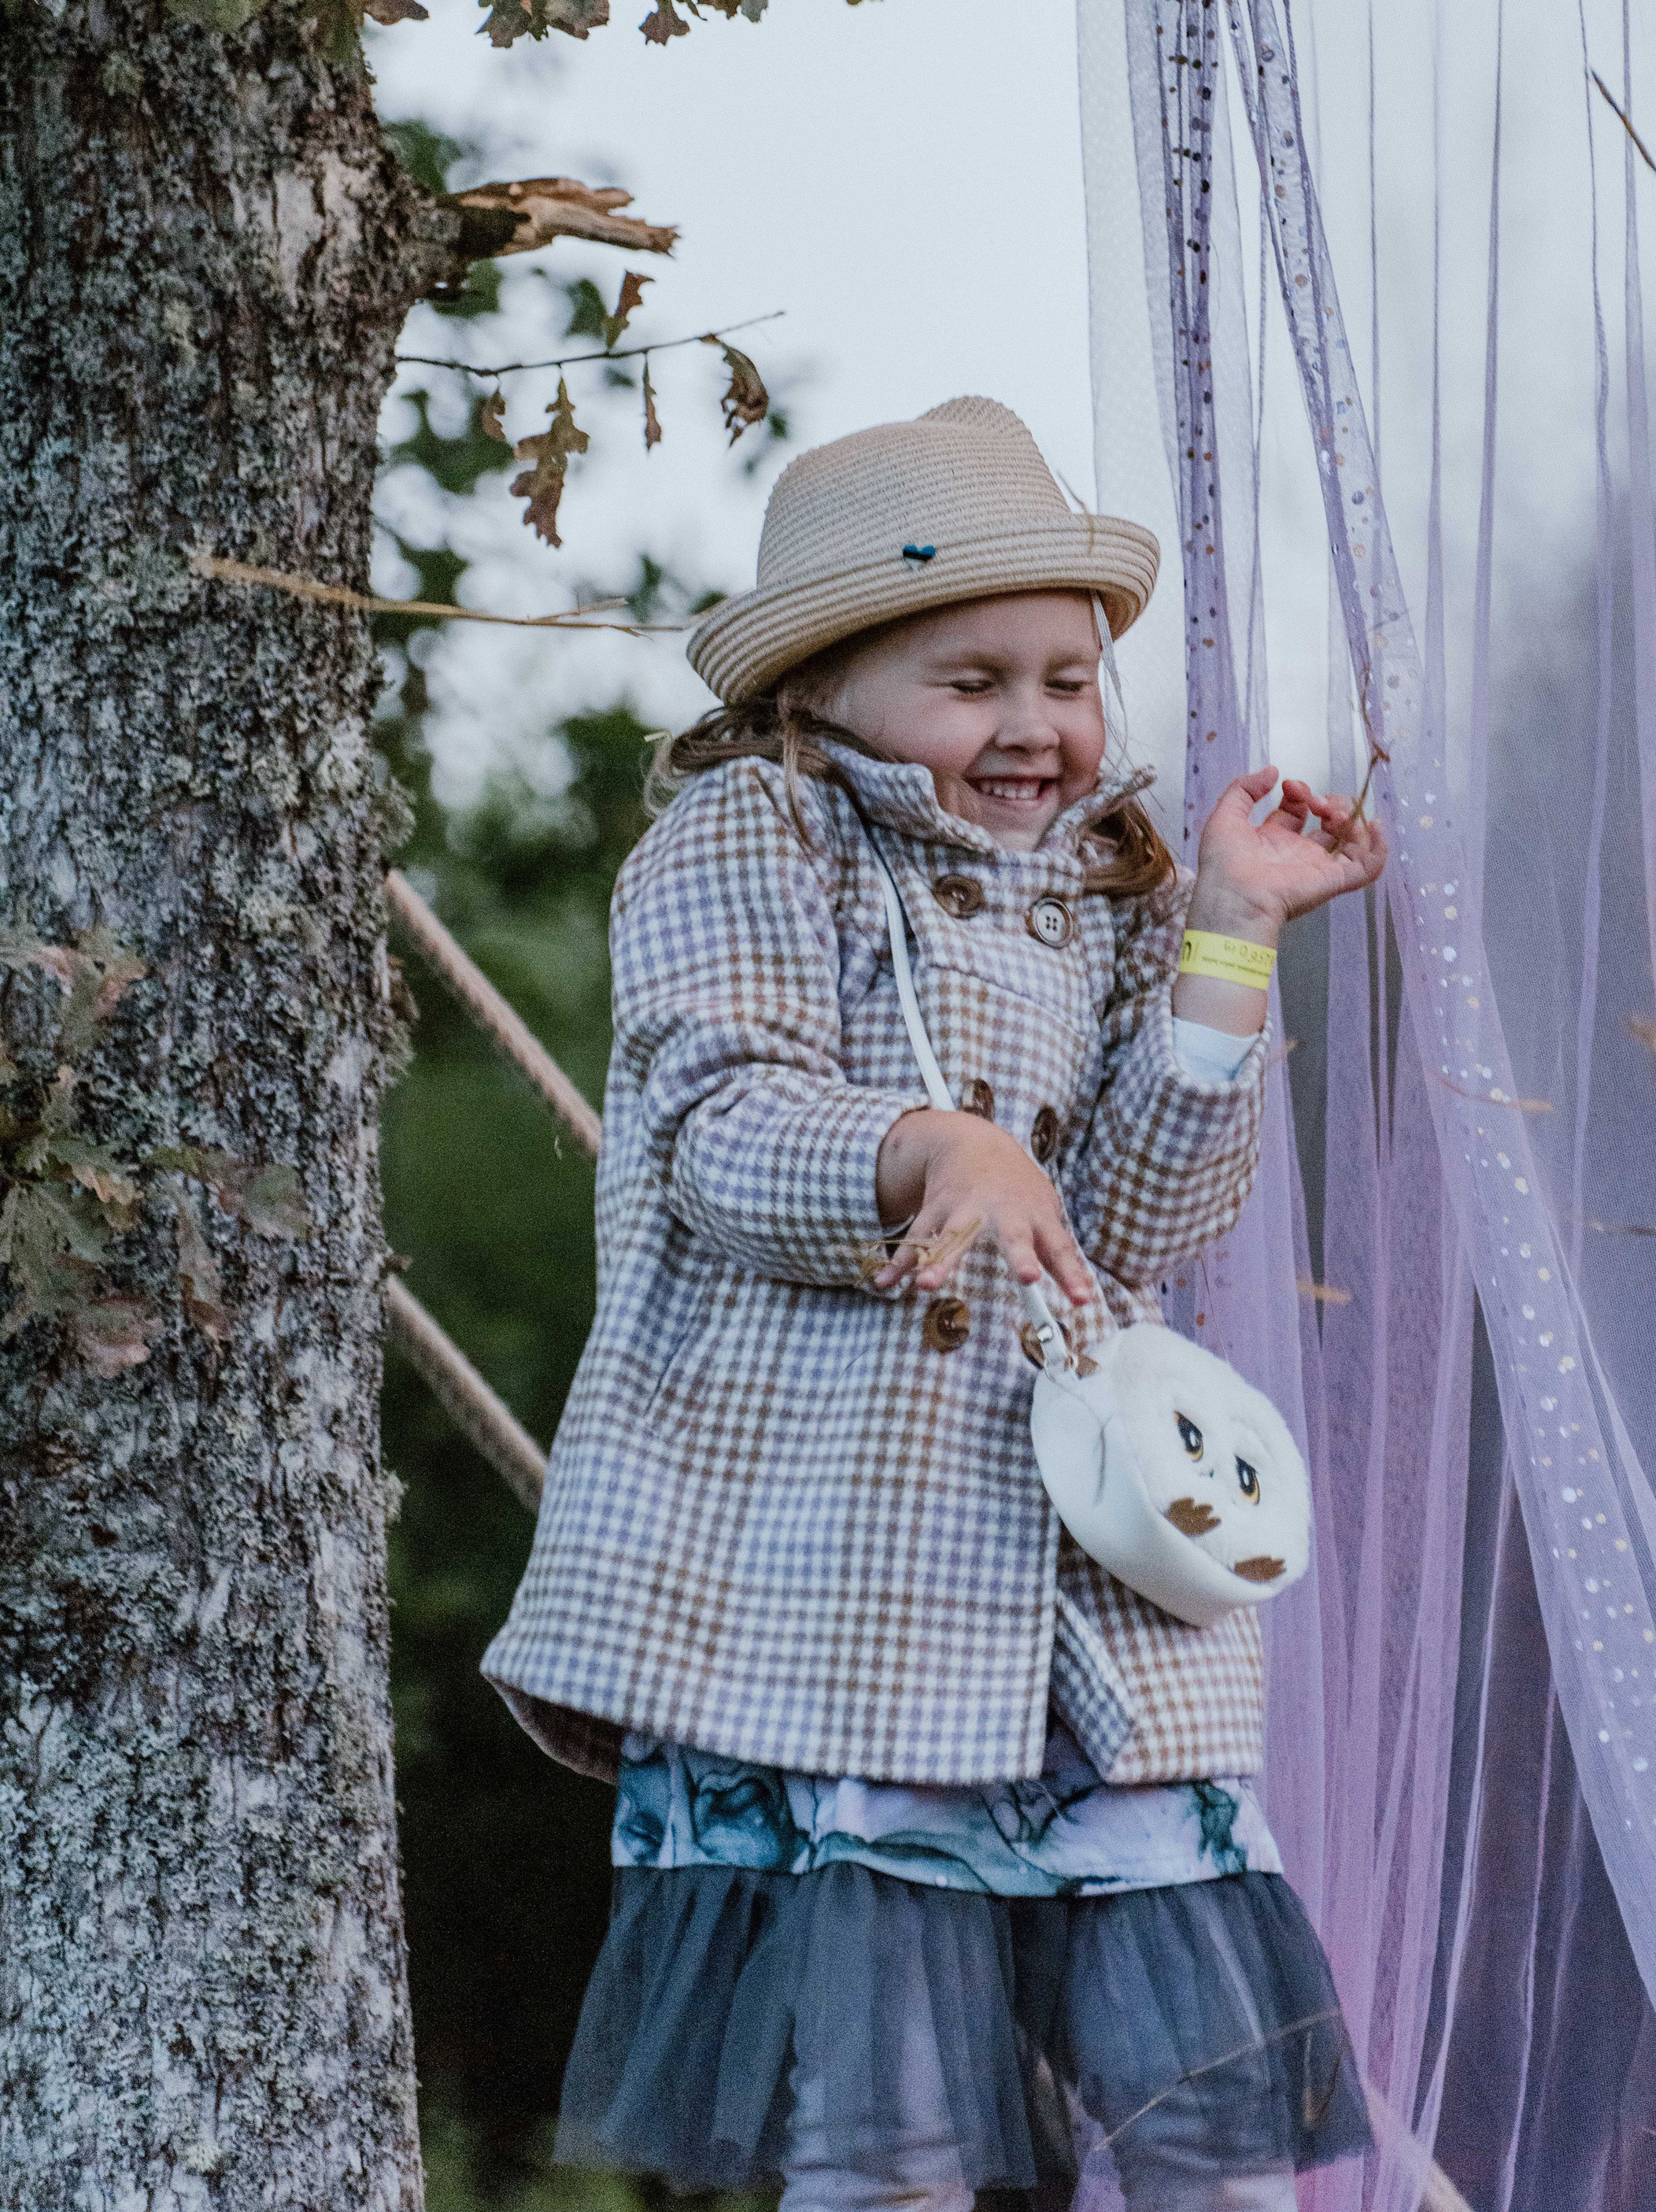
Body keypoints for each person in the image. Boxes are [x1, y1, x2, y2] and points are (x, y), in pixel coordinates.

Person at [483, 396, 1390, 2212]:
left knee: (1189, 2103)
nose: (1035, 723)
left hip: (1085, 1579)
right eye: (971, 681)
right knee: (880, 2116)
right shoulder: (755, 833)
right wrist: (925, 1147)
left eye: (1068, 677)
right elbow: (715, 1124)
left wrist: (1228, 926)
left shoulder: (1110, 884)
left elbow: (1145, 1214)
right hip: (842, 1576)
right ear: (816, 684)